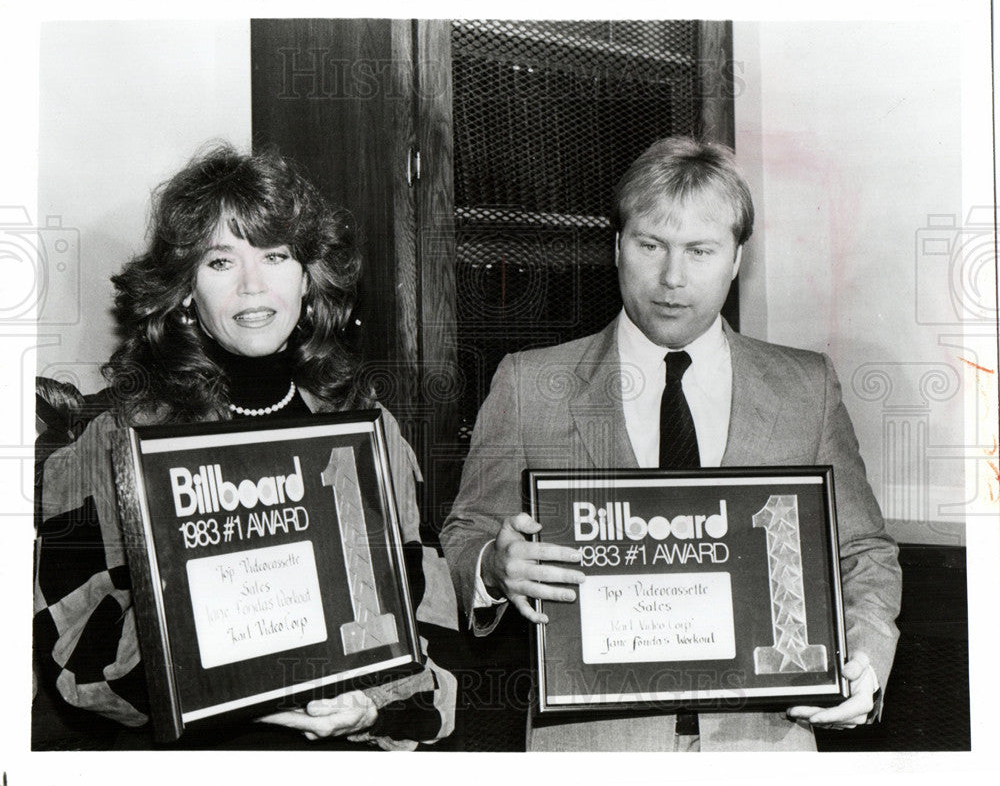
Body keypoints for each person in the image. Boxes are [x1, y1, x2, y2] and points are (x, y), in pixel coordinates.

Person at [440, 136, 902, 752]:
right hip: (591, 748)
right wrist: (493, 569)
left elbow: (864, 552)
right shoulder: (530, 384)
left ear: (737, 260)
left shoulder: (805, 387)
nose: (672, 277)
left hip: (765, 746)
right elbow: (465, 533)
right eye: (650, 245)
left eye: (700, 250)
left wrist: (865, 663)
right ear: (617, 247)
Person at [32, 144, 458, 750]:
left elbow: (429, 636)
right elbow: (73, 661)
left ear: (309, 278)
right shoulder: (110, 444)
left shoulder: (370, 433)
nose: (254, 286)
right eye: (221, 261)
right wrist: (236, 696)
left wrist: (369, 708)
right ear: (185, 292)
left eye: (276, 255)